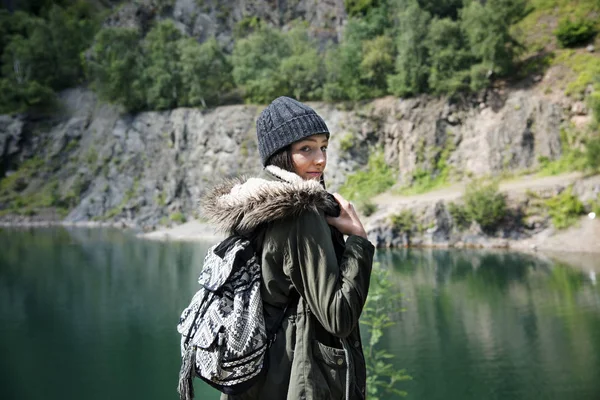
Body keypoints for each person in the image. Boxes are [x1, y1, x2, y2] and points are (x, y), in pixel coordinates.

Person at [202, 96, 374, 400]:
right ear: (280, 155)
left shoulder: (258, 207)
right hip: (299, 379)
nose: (320, 159)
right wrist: (359, 240)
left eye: (323, 146)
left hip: (263, 376)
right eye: (305, 149)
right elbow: (338, 316)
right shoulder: (299, 213)